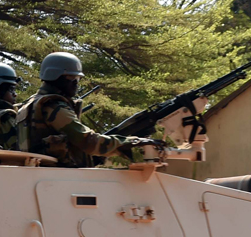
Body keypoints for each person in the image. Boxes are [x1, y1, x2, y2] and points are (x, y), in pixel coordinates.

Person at [16, 52, 156, 167]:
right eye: (73, 78)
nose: (76, 83)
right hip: (59, 178)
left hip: (42, 174)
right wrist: (132, 142)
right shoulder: (53, 106)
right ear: (57, 77)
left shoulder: (30, 103)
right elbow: (88, 141)